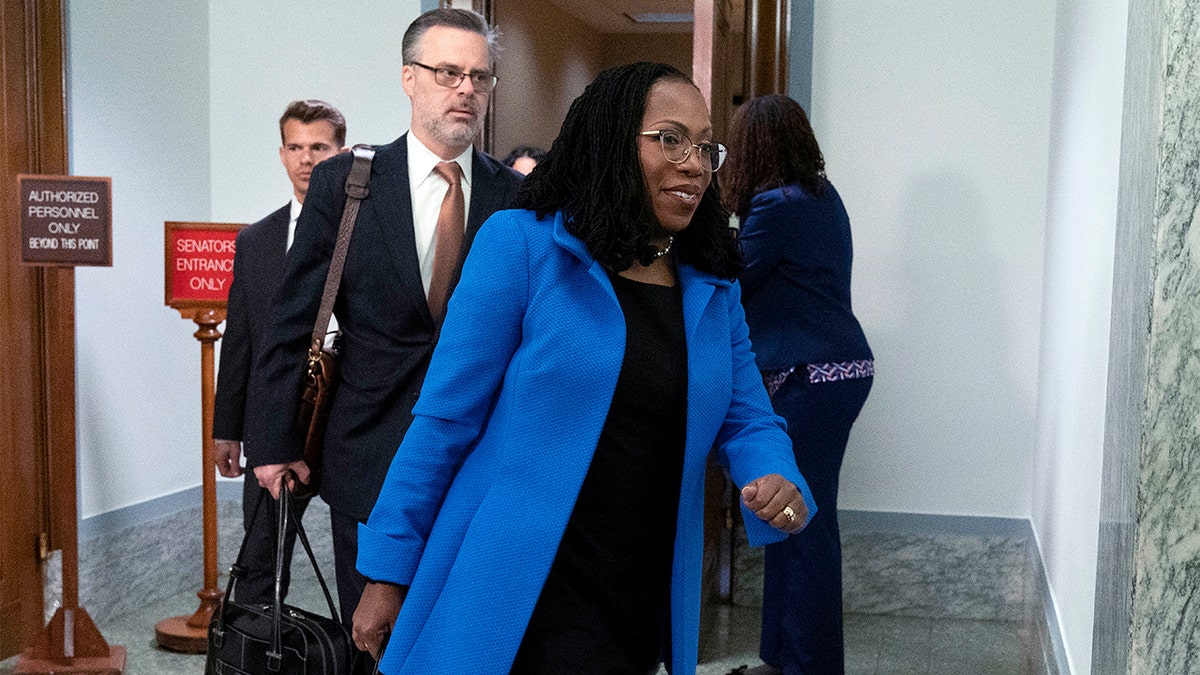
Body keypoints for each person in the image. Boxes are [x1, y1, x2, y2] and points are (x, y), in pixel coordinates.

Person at [351, 62, 818, 675]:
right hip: (517, 582)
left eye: (707, 147)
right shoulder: (522, 246)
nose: (695, 164)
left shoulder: (709, 282)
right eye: (670, 139)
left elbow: (747, 415)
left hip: (637, 584)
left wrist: (775, 473)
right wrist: (388, 570)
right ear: (611, 141)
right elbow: (444, 420)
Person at [242, 6, 522, 647]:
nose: (466, 90)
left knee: (462, 639)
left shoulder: (517, 196)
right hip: (368, 454)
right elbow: (290, 320)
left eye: (480, 77)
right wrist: (273, 441)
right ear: (408, 78)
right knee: (372, 638)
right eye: (449, 72)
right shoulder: (348, 182)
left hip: (479, 458)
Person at [722, 94, 874, 675]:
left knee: (801, 522)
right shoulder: (820, 197)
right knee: (796, 518)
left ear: (753, 148)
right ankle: (782, 659)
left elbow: (731, 276)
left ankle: (806, 667)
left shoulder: (776, 207)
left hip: (811, 376)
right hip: (838, 370)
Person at [212, 99, 347, 604]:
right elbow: (242, 339)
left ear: (342, 152)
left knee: (362, 562)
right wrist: (228, 428)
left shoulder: (371, 231)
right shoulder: (257, 241)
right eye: (295, 147)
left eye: (319, 147)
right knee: (260, 563)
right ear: (282, 153)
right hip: (276, 422)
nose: (306, 159)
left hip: (351, 413)